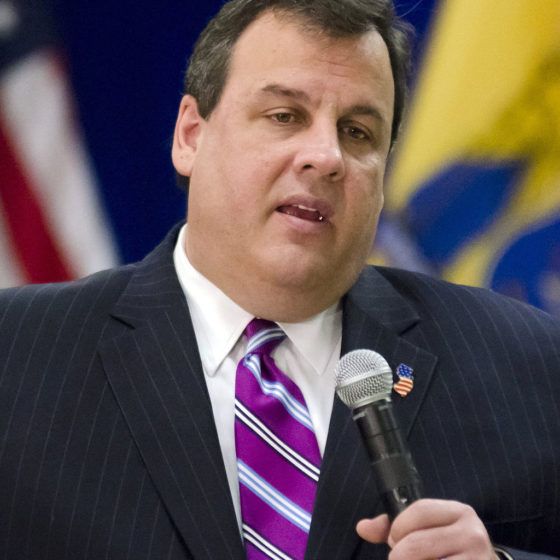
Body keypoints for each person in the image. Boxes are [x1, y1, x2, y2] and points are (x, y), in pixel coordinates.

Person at [0, 0, 559, 558]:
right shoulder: (17, 356)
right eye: (285, 116)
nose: (327, 156)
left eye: (358, 132)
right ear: (190, 136)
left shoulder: (527, 365)